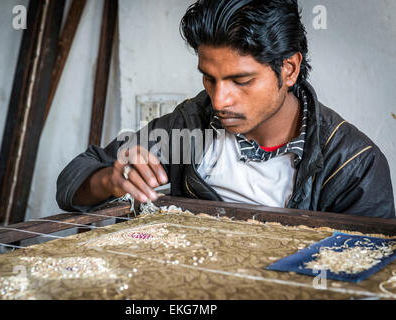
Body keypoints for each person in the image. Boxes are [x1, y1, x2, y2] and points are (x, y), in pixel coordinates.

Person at [56, 0, 395, 218]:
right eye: (210, 79)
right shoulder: (188, 126)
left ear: (288, 69)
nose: (219, 101)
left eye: (241, 81)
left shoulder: (354, 165)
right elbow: (75, 177)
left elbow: (364, 274)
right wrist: (112, 180)